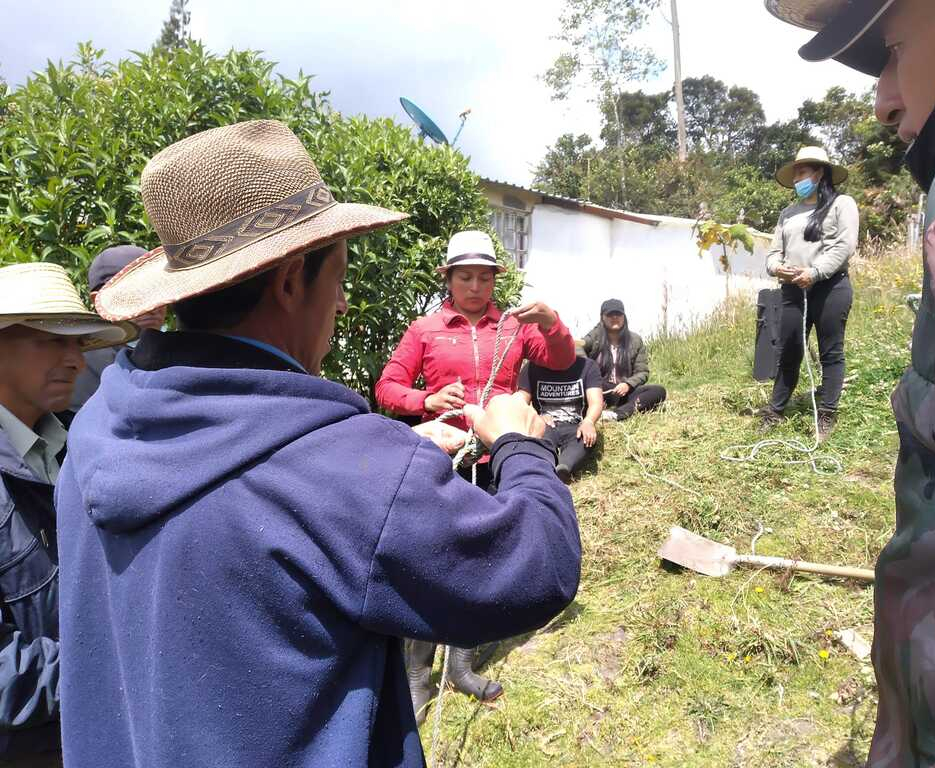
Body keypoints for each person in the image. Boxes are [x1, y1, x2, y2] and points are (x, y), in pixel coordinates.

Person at [56, 120, 581, 768]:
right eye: (339, 273)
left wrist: (385, 454)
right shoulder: (346, 467)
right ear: (289, 281)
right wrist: (519, 446)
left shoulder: (95, 429)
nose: (341, 304)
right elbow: (537, 566)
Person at [767, 0, 935, 763]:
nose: (882, 99)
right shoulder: (790, 210)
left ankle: (823, 412)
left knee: (830, 360)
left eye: (892, 49)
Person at [375, 229, 576, 719]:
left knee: (481, 560)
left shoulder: (510, 327)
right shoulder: (424, 329)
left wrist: (552, 323)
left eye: (484, 277)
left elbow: (561, 360)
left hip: (494, 459)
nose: (475, 286)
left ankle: (462, 666)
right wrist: (425, 400)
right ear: (448, 278)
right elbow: (387, 387)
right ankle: (418, 677)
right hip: (440, 456)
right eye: (465, 276)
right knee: (428, 561)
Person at [0, 262, 134, 768]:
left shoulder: (85, 447)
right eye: (51, 342)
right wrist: (115, 662)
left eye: (78, 344)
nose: (76, 361)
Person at [760, 146, 859, 438]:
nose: (797, 178)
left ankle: (827, 413)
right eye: (795, 174)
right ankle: (775, 410)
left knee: (831, 350)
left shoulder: (842, 204)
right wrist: (778, 269)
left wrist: (814, 273)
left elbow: (844, 246)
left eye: (802, 172)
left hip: (830, 287)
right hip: (792, 291)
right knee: (789, 349)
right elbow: (773, 254)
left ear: (819, 173)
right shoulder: (788, 214)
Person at [69, 245, 167, 411]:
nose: (153, 305)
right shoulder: (80, 363)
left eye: (159, 290)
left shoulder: (177, 350)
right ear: (99, 300)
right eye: (137, 292)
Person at [518, 351, 604, 483]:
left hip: (576, 425)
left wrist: (589, 421)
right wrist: (536, 416)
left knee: (585, 440)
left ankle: (564, 468)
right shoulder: (531, 368)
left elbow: (596, 401)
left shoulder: (588, 366)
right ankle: (546, 468)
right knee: (541, 439)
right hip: (546, 424)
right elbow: (521, 402)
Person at [582, 299, 666, 421]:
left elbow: (642, 372)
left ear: (624, 317)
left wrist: (628, 384)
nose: (615, 317)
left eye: (618, 314)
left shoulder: (635, 340)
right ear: (602, 318)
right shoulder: (595, 337)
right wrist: (591, 378)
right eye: (610, 314)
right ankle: (596, 408)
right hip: (599, 389)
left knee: (658, 391)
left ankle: (616, 414)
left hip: (624, 392)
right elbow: (578, 347)